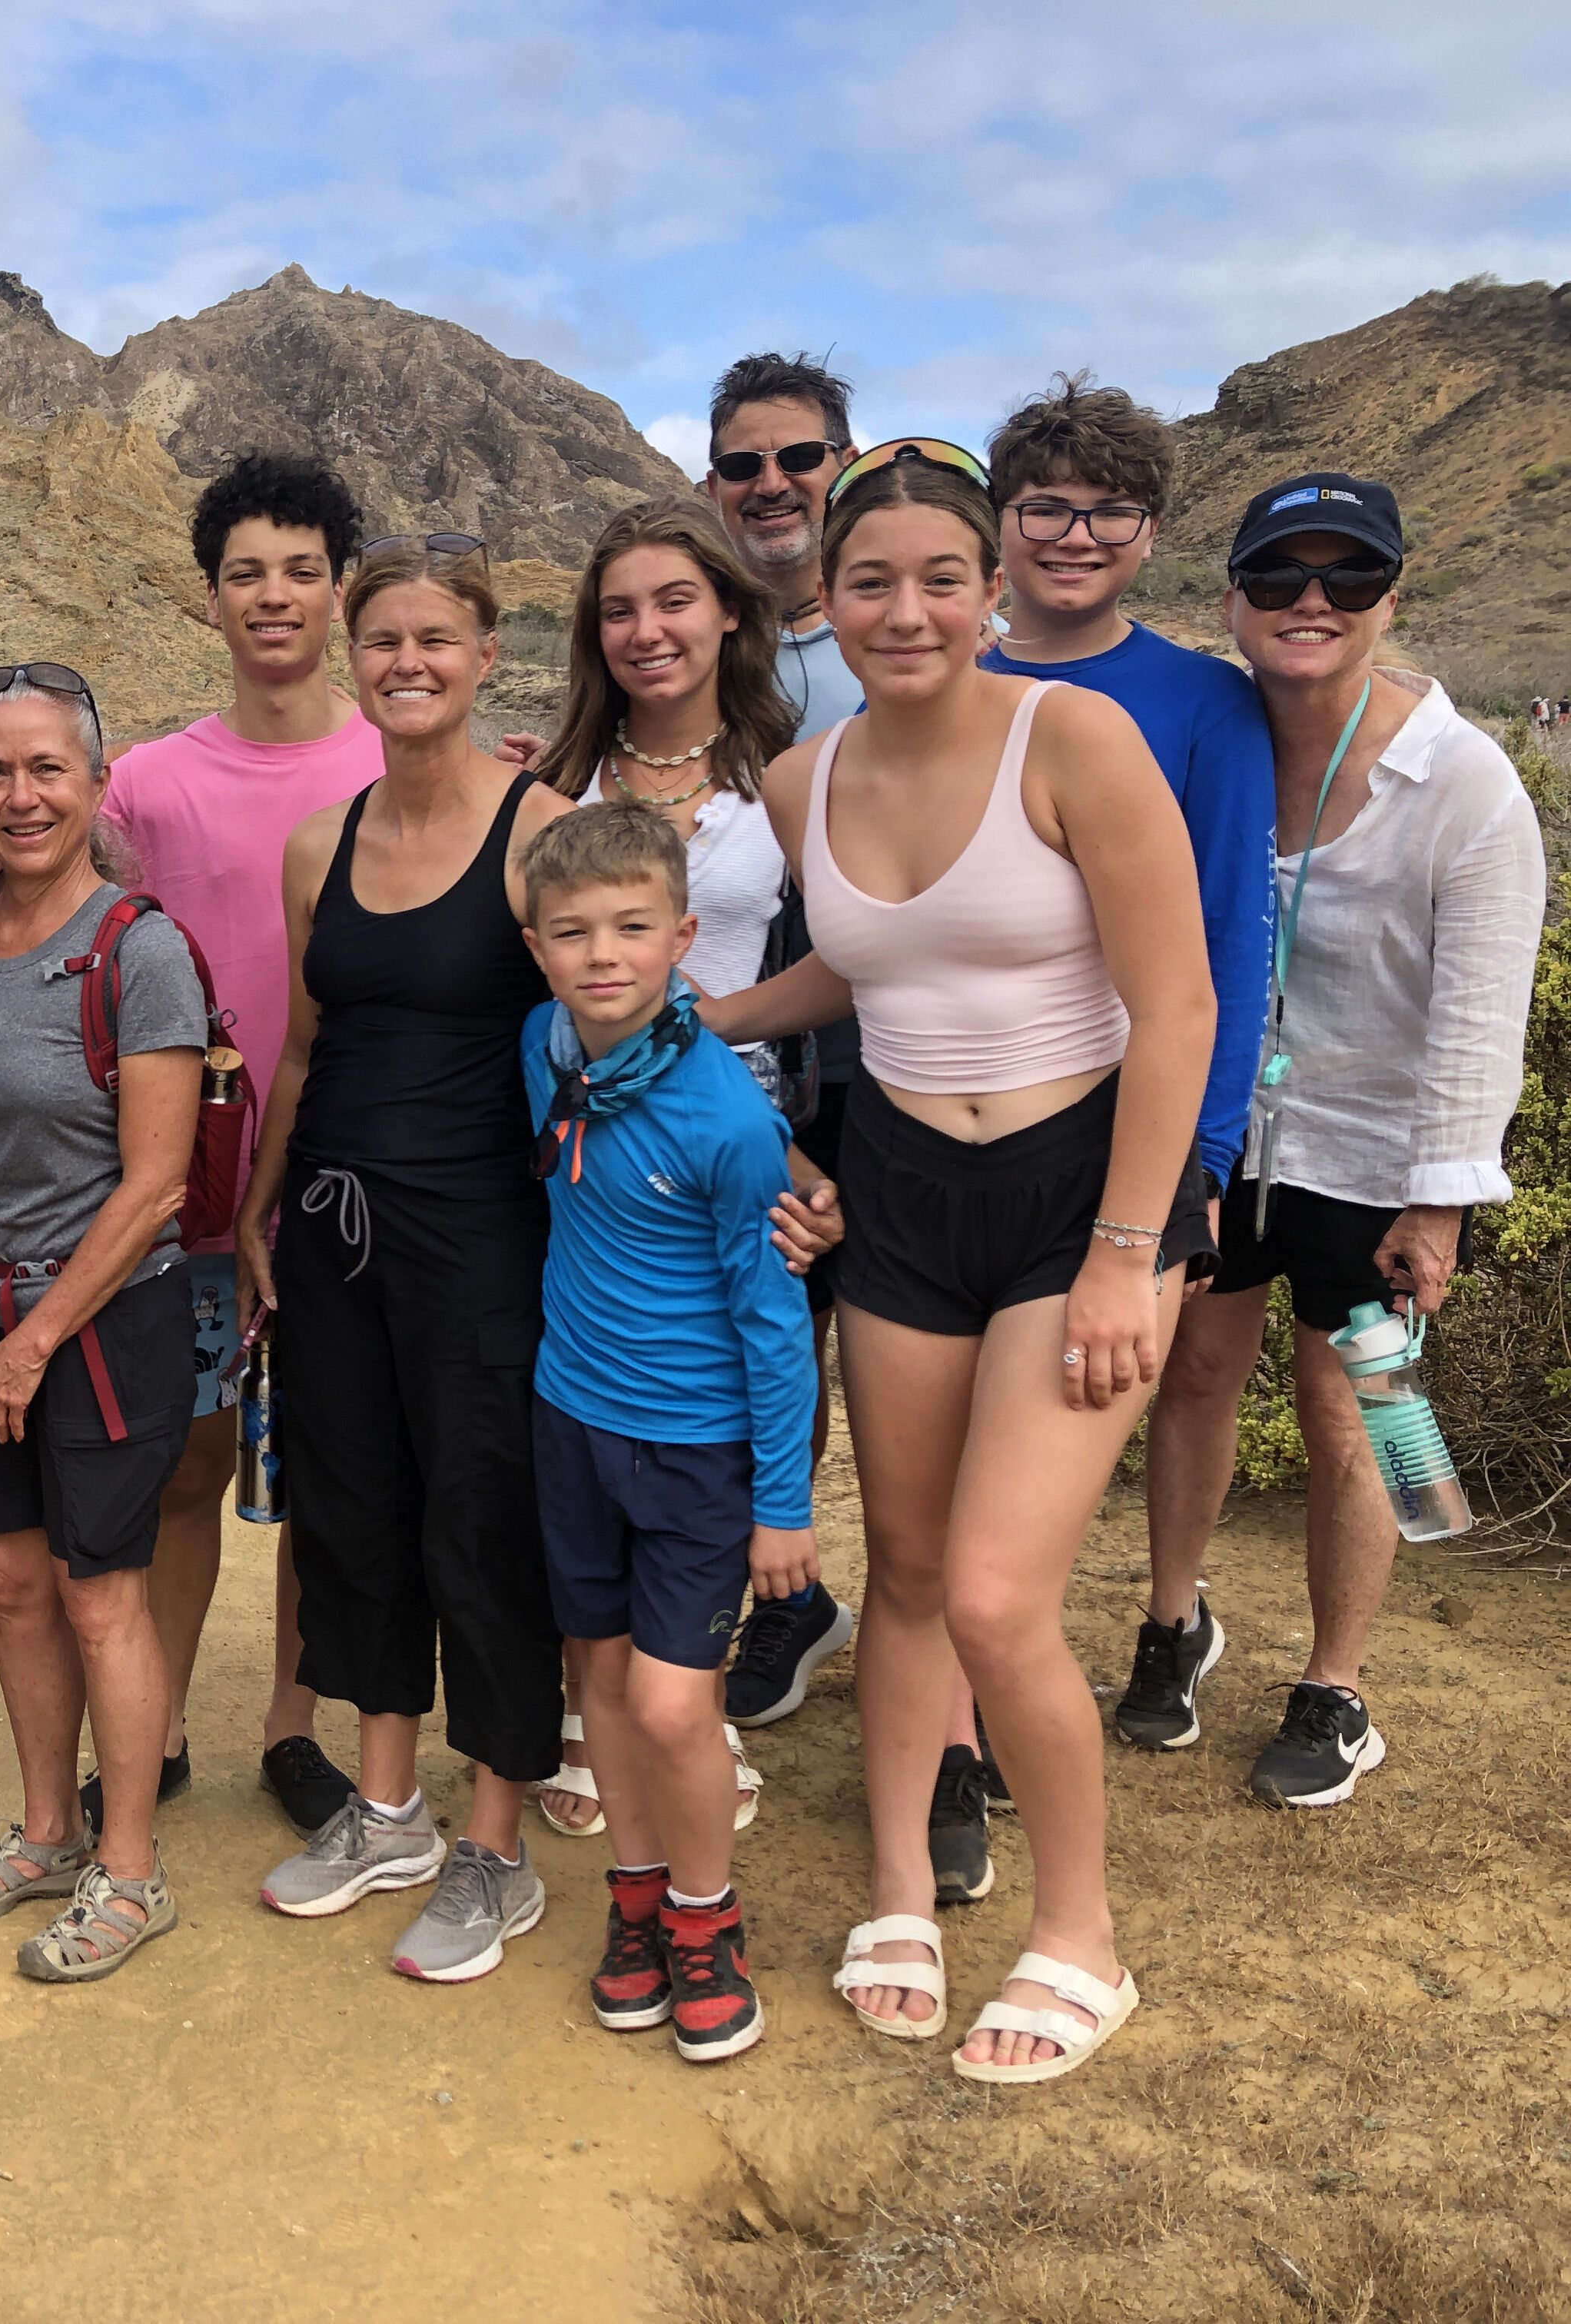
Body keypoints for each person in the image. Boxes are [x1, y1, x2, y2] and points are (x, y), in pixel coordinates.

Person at [706, 440, 1214, 2083]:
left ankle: (1082, 1940)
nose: (906, 610)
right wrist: (703, 1021)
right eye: (871, 582)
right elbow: (872, 971)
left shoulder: (1073, 738)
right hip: (907, 1188)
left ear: (991, 590)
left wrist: (1128, 1254)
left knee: (998, 1596)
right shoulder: (806, 781)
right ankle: (902, 1892)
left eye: (942, 578)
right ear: (828, 597)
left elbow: (1179, 1005)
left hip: (1084, 1196)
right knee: (911, 1575)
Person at [1134, 473, 1544, 1804]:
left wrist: (1440, 1204)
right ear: (1232, 600)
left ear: (1391, 596)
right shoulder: (1213, 739)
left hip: (1376, 1158)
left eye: (1348, 576)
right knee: (1194, 1375)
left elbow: (1481, 1013)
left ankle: (1337, 1685)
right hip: (1225, 1135)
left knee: (1357, 1409)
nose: (1311, 601)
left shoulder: (1465, 782)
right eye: (1280, 576)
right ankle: (1174, 1620)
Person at [945, 379, 1275, 1886]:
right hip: (948, 1143)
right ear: (1001, 522)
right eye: (1047, 507)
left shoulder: (1205, 707)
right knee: (945, 1473)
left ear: (1149, 533)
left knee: (1048, 1458)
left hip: (1129, 1150)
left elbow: (1222, 952)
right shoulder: (939, 676)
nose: (1075, 536)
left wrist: (1194, 1168)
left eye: (1109, 512)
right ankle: (954, 1750)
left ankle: (1050, 1713)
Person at [233, 536, 568, 1980]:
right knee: (352, 1511)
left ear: (487, 655)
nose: (408, 663)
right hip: (333, 1233)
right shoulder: (321, 844)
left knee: (482, 1522)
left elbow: (614, 1026)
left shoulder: (545, 832)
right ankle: (387, 1811)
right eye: (383, 640)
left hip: (489, 1235)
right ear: (351, 657)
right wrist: (258, 1211)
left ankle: (496, 1845)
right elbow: (305, 1046)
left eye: (437, 639)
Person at [0, 663, 206, 1982]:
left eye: (46, 770)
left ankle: (130, 1868)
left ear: (95, 782)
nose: (20, 797)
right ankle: (45, 1831)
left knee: (100, 1594)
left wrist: (30, 1346)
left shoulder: (138, 951)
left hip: (102, 1328)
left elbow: (156, 1186)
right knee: (13, 1581)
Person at [85, 451, 377, 1844]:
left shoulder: (395, 761)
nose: (274, 596)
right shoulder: (146, 786)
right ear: (208, 599)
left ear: (340, 591)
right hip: (187, 1187)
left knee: (323, 1470)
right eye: (245, 573)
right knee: (191, 1464)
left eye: (301, 571)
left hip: (343, 1183)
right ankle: (161, 1728)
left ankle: (293, 1726)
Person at [523, 500, 818, 1847]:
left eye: (675, 600)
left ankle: (701, 1704)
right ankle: (603, 1726)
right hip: (595, 1119)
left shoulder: (789, 776)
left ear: (729, 612)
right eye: (619, 609)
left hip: (731, 1128)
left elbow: (852, 958)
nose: (647, 631)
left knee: (733, 1379)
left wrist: (709, 1042)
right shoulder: (558, 782)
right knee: (604, 1403)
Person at [517, 802, 819, 2059]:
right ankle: (634, 1902)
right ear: (537, 948)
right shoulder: (543, 1044)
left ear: (683, 937)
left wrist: (784, 1504)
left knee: (673, 1705)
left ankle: (706, 1918)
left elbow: (775, 1321)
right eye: (574, 931)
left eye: (634, 928)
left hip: (697, 1451)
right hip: (571, 1421)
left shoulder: (728, 1121)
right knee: (597, 1678)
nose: (604, 955)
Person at [696, 353, 868, 1732]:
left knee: (918, 1347)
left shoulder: (905, 633)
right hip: (770, 1053)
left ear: (841, 469)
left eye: (799, 458)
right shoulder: (707, 650)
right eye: (744, 465)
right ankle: (786, 1593)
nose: (773, 485)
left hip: (911, 1052)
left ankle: (953, 1656)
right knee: (779, 1327)